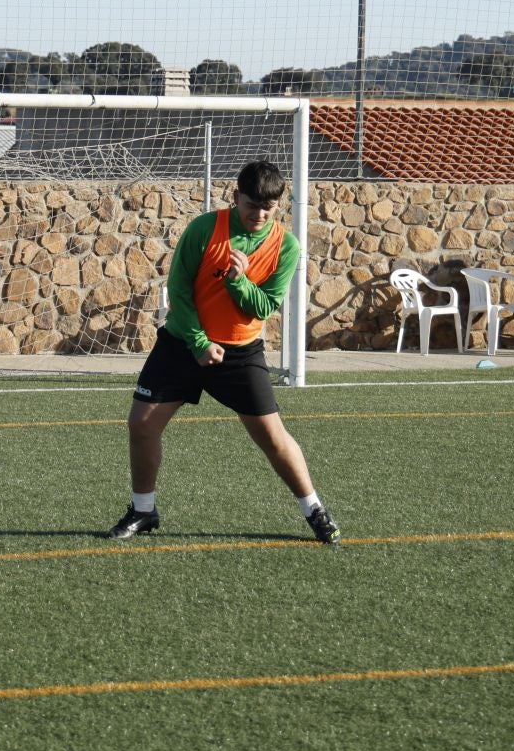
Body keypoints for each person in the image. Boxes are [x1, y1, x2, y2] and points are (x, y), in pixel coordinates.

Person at [106, 159, 339, 545]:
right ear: (236, 197)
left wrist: (238, 280)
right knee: (141, 424)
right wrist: (199, 343)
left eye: (269, 207)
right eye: (251, 205)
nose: (259, 214)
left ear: (279, 205)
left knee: (273, 436)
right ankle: (143, 510)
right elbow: (178, 290)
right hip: (184, 344)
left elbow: (263, 308)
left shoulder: (287, 246)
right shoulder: (204, 229)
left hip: (241, 353)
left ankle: (313, 508)